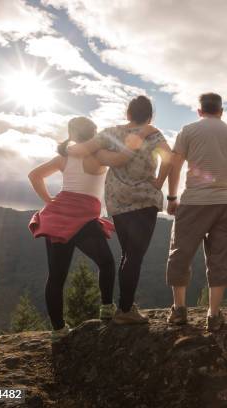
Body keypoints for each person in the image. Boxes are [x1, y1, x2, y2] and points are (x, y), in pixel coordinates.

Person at [67, 95, 172, 325]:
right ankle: (125, 309)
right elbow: (169, 159)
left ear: (128, 114)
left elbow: (80, 150)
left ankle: (125, 306)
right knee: (134, 255)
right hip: (144, 199)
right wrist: (160, 182)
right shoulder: (153, 134)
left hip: (117, 199)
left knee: (127, 254)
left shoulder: (111, 133)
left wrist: (92, 151)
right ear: (150, 116)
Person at [28, 117, 118, 341]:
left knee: (56, 277)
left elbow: (34, 175)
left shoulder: (64, 157)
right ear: (93, 133)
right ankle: (107, 308)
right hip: (84, 218)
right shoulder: (99, 156)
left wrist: (49, 200)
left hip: (58, 216)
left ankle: (58, 330)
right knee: (106, 263)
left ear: (72, 134)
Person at [165, 92, 227, 331]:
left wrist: (172, 197)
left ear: (199, 111)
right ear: (221, 111)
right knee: (220, 257)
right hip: (226, 202)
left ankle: (179, 310)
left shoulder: (188, 130)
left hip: (194, 201)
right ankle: (213, 315)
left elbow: (175, 164)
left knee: (181, 252)